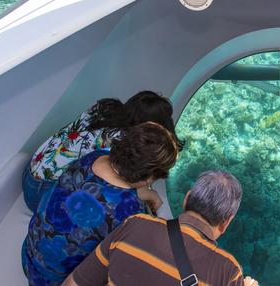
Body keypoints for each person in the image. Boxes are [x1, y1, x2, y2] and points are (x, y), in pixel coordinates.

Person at [22, 122, 180, 286]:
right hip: (50, 281)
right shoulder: (131, 212)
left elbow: (105, 189)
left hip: (29, 254)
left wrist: (146, 194)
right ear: (150, 176)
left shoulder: (95, 156)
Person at [63, 170, 260, 286]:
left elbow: (74, 283)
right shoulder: (227, 270)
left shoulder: (135, 224)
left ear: (187, 199)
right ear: (227, 221)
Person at [23, 91, 176, 211]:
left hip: (31, 171)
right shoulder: (122, 140)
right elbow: (121, 181)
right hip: (41, 195)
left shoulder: (106, 107)